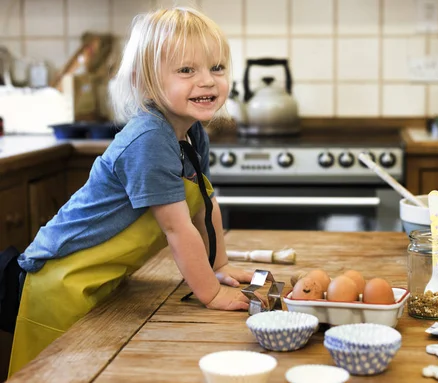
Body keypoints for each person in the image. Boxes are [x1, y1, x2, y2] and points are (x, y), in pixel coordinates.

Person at [7, 6, 254, 376]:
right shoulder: (150, 139)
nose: (207, 81)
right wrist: (212, 293)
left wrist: (219, 266)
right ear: (146, 80)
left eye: (216, 68)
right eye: (187, 70)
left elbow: (205, 206)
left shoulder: (191, 132)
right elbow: (177, 227)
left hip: (101, 280)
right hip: (59, 284)